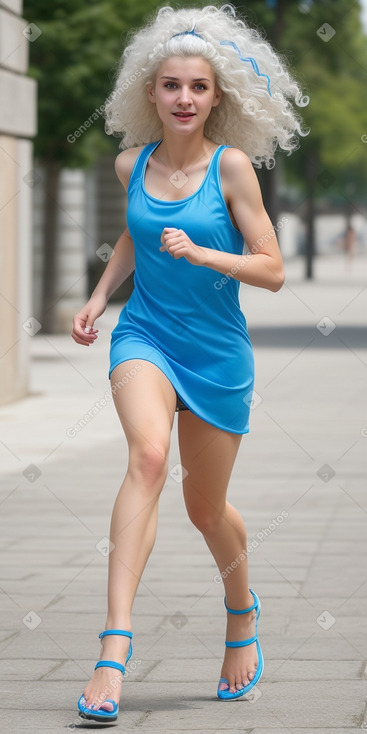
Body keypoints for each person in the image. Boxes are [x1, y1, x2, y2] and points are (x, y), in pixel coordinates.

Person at [71, 2, 308, 722]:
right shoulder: (129, 163)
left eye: (197, 88)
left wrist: (203, 252)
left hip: (216, 351)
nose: (183, 98)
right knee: (146, 455)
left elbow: (270, 271)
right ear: (150, 91)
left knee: (203, 508)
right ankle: (113, 650)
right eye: (170, 85)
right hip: (144, 334)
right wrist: (99, 297)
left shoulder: (231, 168)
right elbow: (137, 236)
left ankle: (241, 612)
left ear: (216, 97)